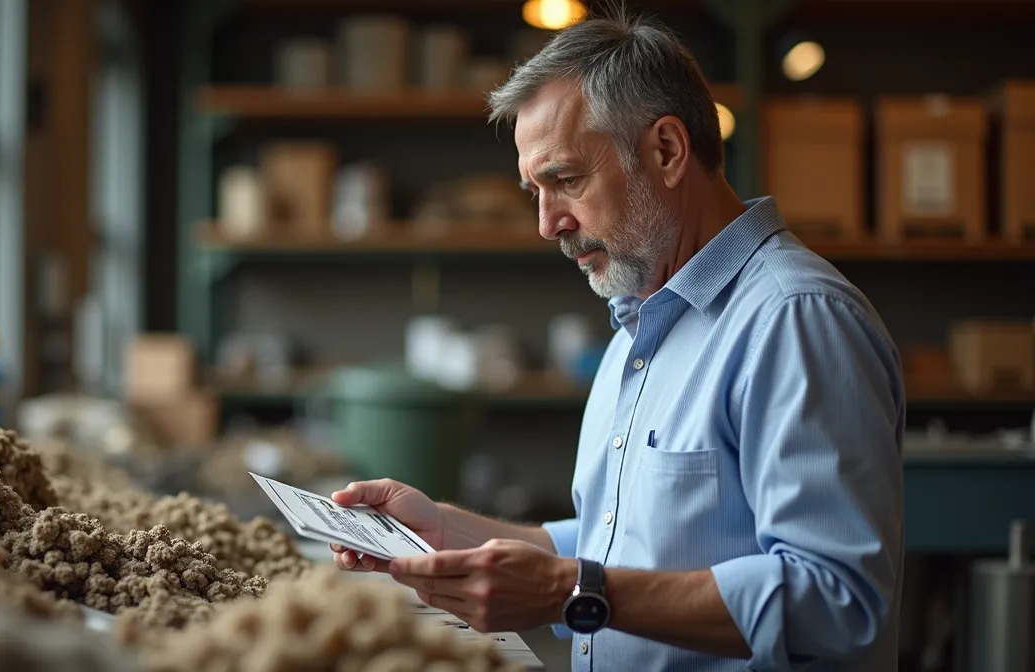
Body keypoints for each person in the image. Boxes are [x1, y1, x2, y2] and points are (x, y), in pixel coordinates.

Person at [329, 8, 905, 672]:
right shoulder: (642, 322)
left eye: (566, 180)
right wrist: (446, 531)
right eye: (533, 191)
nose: (547, 224)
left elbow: (838, 604)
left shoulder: (796, 319)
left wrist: (567, 592)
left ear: (666, 150)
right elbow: (624, 543)